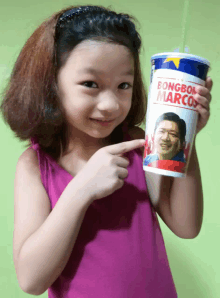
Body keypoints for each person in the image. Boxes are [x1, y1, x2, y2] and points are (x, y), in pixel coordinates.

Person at [0, 5, 213, 298]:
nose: (111, 105)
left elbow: (186, 226)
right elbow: (31, 281)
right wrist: (82, 189)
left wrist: (186, 137)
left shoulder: (139, 145)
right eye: (90, 84)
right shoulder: (36, 165)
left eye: (123, 85)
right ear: (51, 83)